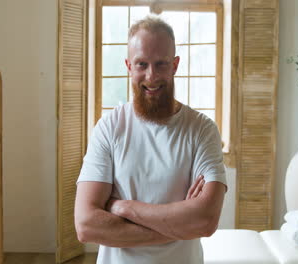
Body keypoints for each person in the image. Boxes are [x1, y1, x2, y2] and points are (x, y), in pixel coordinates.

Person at [74, 16, 227, 264]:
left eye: (161, 64)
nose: (151, 75)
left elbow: (206, 221)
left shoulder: (202, 130)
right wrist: (178, 226)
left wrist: (123, 207)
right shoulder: (108, 128)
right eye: (142, 64)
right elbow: (86, 226)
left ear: (175, 65)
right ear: (128, 66)